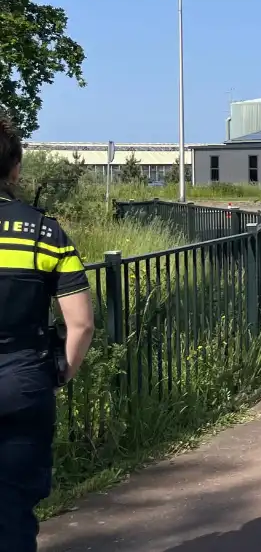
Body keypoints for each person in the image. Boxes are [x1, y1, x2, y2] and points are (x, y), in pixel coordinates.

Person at [0, 114, 95, 552]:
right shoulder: (44, 232)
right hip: (23, 383)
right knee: (14, 510)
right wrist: (60, 374)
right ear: (15, 168)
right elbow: (80, 324)